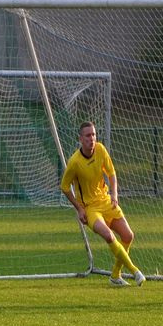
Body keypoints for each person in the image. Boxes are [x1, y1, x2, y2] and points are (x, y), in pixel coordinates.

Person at [60, 121, 145, 287]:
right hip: (90, 209)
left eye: (93, 134)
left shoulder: (100, 149)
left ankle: (115, 276)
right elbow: (64, 187)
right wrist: (79, 209)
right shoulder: (75, 162)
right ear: (80, 139)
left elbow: (112, 173)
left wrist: (114, 194)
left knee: (128, 236)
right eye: (87, 135)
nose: (91, 138)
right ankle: (135, 271)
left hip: (106, 201)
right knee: (108, 235)